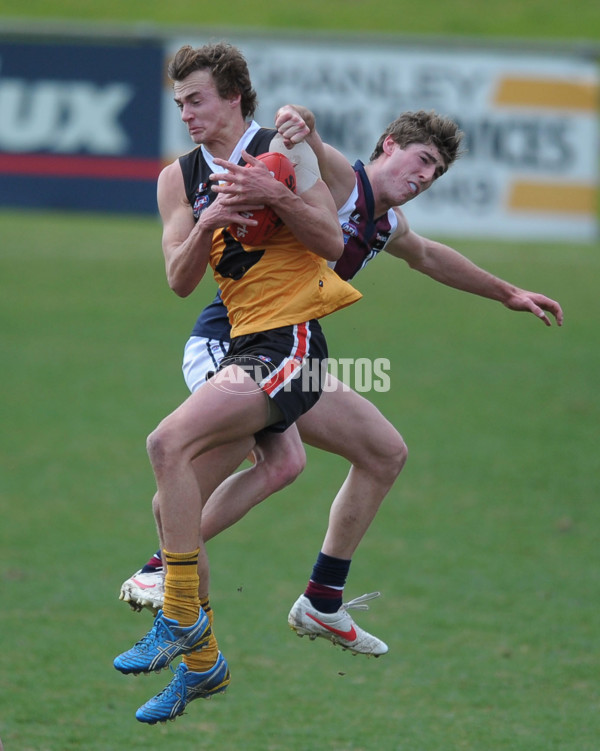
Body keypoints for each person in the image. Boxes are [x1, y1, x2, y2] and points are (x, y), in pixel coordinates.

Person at [119, 102, 563, 663]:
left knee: (381, 452)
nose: (425, 177)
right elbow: (306, 134)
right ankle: (160, 568)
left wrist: (508, 292)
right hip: (230, 341)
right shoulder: (334, 176)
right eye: (422, 160)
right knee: (234, 461)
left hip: (286, 351)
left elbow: (428, 255)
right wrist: (298, 118)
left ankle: (322, 599)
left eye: (436, 172)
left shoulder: (385, 224)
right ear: (388, 146)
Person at [113, 42, 363, 725]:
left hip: (294, 340)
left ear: (233, 98)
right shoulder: (179, 178)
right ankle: (203, 663)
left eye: (197, 101)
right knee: (175, 499)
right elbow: (178, 279)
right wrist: (211, 222)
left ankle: (178, 615)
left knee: (168, 444)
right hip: (243, 341)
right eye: (179, 104)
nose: (187, 114)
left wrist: (272, 192)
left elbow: (333, 243)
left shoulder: (282, 148)